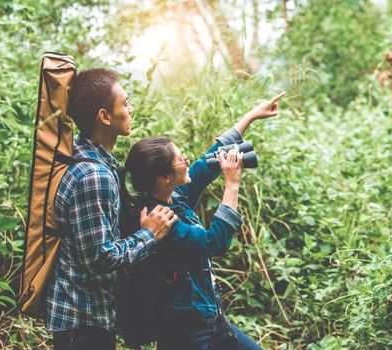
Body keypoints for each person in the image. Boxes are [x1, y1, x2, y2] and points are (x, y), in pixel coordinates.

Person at [119, 92, 285, 349]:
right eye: (180, 159)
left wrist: (250, 116)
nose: (186, 160)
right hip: (185, 330)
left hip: (212, 318)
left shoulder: (175, 195)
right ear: (164, 177)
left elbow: (207, 161)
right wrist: (232, 184)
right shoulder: (160, 219)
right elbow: (214, 242)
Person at [46, 68, 177, 350]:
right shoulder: (95, 176)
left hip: (85, 316)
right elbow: (98, 259)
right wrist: (149, 235)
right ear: (104, 116)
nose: (130, 109)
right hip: (82, 320)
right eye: (125, 103)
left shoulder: (84, 153)